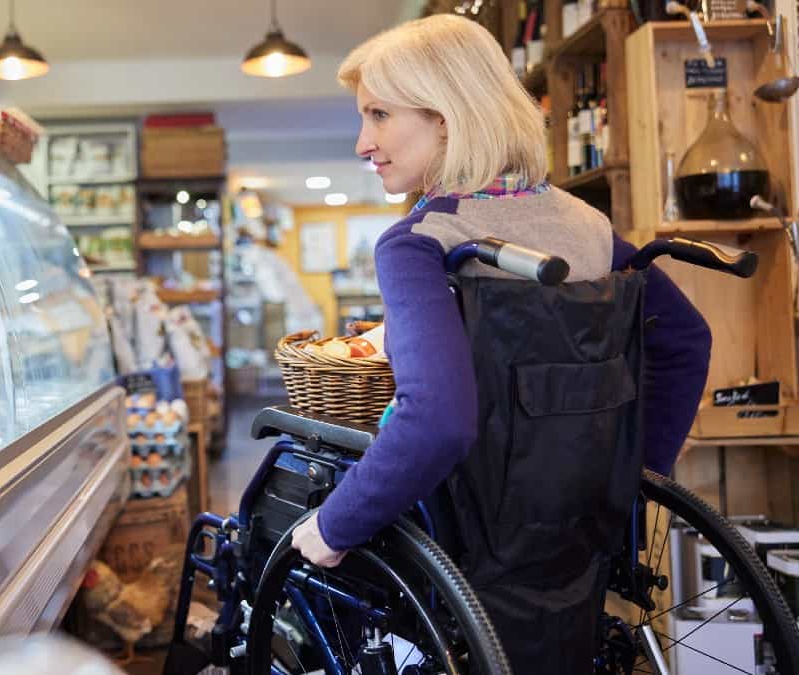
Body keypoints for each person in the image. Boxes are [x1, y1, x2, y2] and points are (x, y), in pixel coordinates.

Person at [288, 13, 712, 672]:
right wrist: (634, 478)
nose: (362, 143)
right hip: (580, 525)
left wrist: (332, 526)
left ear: (446, 119)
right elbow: (684, 339)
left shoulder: (421, 241)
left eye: (377, 114)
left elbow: (438, 421)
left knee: (297, 500)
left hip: (466, 533)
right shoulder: (589, 227)